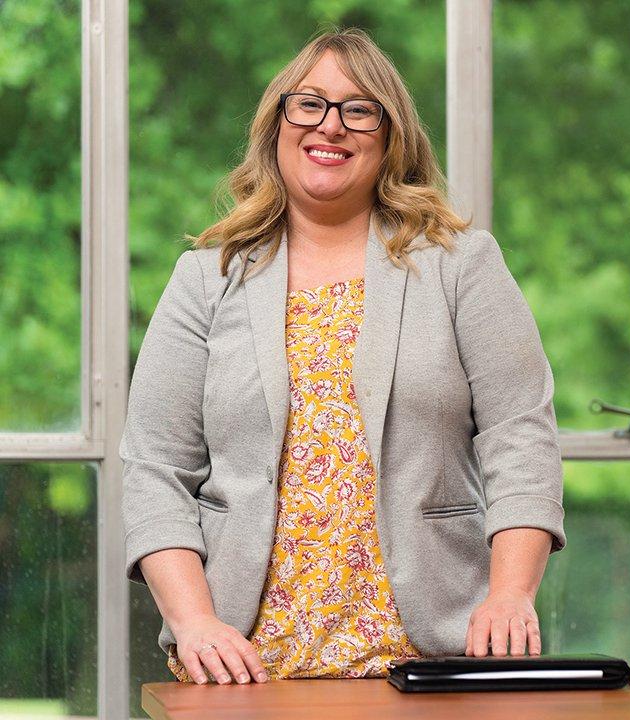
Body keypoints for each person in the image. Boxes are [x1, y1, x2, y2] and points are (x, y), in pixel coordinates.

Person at [120, 27, 565, 685]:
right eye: (310, 104)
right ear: (277, 125)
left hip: (428, 661)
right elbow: (155, 467)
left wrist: (511, 593)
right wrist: (193, 623)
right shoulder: (205, 279)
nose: (332, 126)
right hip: (242, 669)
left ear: (391, 139)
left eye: (360, 110)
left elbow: (519, 436)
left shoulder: (461, 267)